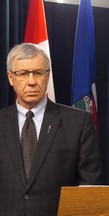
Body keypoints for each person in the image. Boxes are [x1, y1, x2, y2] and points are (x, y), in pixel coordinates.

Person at [0, 43, 102, 215]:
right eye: (23, 74)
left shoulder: (79, 123)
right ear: (10, 78)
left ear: (48, 76)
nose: (31, 81)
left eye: (38, 73)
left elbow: (89, 186)